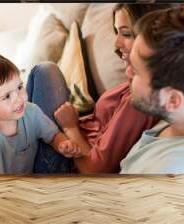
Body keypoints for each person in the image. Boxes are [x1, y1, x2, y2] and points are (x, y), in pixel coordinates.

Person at [27, 4, 167, 173]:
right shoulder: (134, 82)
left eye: (126, 33)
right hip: (69, 139)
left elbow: (94, 169)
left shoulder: (138, 99)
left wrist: (70, 127)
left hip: (67, 160)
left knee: (45, 71)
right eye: (117, 32)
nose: (116, 43)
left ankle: (22, 150)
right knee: (40, 77)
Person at [120, 6, 184, 174]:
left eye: (136, 70)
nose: (128, 72)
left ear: (172, 100)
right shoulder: (172, 121)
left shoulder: (170, 170)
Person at [0, 53, 81, 174]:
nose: (19, 98)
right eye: (7, 96)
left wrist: (63, 144)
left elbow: (53, 135)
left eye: (19, 87)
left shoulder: (32, 112)